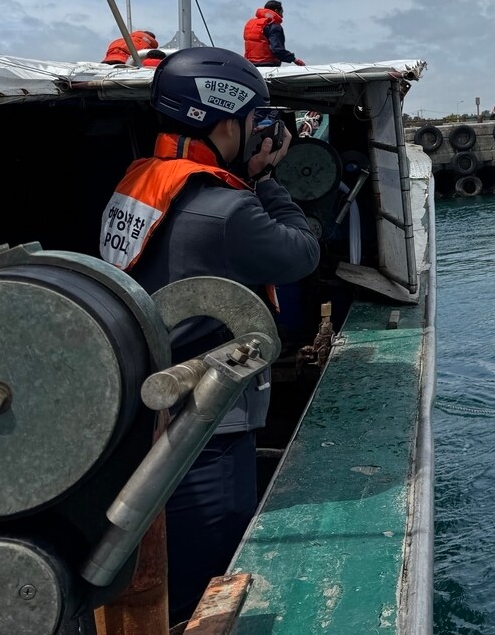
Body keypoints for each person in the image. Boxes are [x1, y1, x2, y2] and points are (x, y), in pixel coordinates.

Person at [98, 47, 319, 621]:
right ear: (224, 125)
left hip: (140, 407)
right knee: (208, 580)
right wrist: (265, 179)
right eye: (254, 121)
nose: (262, 133)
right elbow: (300, 253)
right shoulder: (226, 209)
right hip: (208, 424)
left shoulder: (138, 181)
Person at [243, 0, 305, 67]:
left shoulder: (250, 24)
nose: (282, 16)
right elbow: (277, 50)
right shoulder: (273, 25)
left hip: (250, 65)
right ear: (276, 11)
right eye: (281, 12)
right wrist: (294, 59)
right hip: (268, 64)